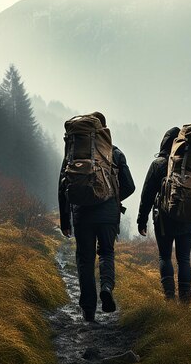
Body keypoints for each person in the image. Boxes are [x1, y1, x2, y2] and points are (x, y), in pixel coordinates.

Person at [59, 112, 135, 322]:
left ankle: (88, 310)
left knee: (85, 260)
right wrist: (112, 196)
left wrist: (65, 221)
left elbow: (63, 187)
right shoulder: (115, 153)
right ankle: (107, 287)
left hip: (81, 215)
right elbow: (130, 186)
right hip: (108, 214)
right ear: (103, 131)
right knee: (106, 253)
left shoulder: (73, 154)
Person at [136, 127, 191, 302]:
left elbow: (147, 194)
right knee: (184, 259)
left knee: (165, 256)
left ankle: (169, 298)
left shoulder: (158, 164)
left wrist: (142, 220)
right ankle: (185, 302)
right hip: (188, 219)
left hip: (164, 221)